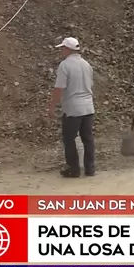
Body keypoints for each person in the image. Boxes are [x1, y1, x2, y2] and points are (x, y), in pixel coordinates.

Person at [47, 37, 96, 178]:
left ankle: (73, 169)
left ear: (68, 49)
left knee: (69, 138)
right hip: (88, 106)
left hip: (73, 108)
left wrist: (51, 107)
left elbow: (59, 88)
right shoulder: (86, 65)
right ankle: (90, 168)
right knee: (88, 138)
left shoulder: (65, 65)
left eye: (63, 48)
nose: (62, 50)